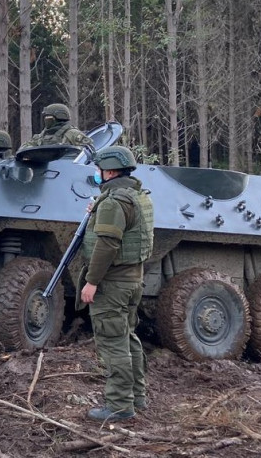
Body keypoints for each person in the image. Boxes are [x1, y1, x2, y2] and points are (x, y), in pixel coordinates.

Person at [78, 145, 154, 422]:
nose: (97, 174)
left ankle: (120, 405)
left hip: (112, 283)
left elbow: (107, 245)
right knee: (128, 336)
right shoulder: (137, 196)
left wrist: (91, 282)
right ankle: (137, 396)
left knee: (113, 342)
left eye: (99, 170)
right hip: (133, 280)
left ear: (109, 171)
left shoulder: (113, 202)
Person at [19, 103, 95, 153]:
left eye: (47, 117)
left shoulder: (72, 134)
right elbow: (23, 150)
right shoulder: (41, 137)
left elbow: (90, 151)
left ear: (58, 117)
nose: (45, 119)